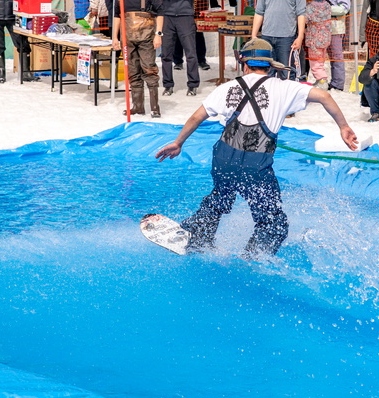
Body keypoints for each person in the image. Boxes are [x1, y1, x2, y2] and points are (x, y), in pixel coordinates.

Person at [154, 38, 359, 258]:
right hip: (256, 164)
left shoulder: (227, 88)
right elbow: (325, 96)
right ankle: (252, 259)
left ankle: (197, 235)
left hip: (224, 159)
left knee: (220, 198)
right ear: (269, 64)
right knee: (273, 221)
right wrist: (344, 127)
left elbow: (197, 116)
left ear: (244, 63)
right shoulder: (285, 88)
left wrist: (178, 142)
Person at [106, 0, 164, 118]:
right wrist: (115, 38)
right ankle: (138, 106)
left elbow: (160, 11)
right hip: (127, 38)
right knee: (132, 72)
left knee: (149, 70)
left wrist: (158, 34)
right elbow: (117, 15)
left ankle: (154, 107)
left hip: (146, 37)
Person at [157, 0, 205, 96]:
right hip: (168, 14)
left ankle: (192, 84)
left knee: (190, 52)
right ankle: (168, 85)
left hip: (185, 14)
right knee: (166, 54)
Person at [250, 0, 307, 77]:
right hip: (267, 36)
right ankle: (270, 96)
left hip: (286, 38)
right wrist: (254, 34)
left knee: (286, 72)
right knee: (266, 72)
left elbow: (301, 14)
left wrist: (300, 37)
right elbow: (259, 12)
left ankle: (286, 96)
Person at [320, 0, 351, 91]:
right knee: (326, 56)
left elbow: (345, 8)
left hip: (336, 27)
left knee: (337, 56)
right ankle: (331, 81)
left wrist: (327, 8)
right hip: (324, 27)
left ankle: (338, 84)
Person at [304, 0, 334, 87]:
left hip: (314, 40)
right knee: (321, 60)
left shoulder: (309, 7)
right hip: (325, 39)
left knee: (315, 62)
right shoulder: (327, 6)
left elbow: (305, 20)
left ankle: (322, 80)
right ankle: (320, 79)